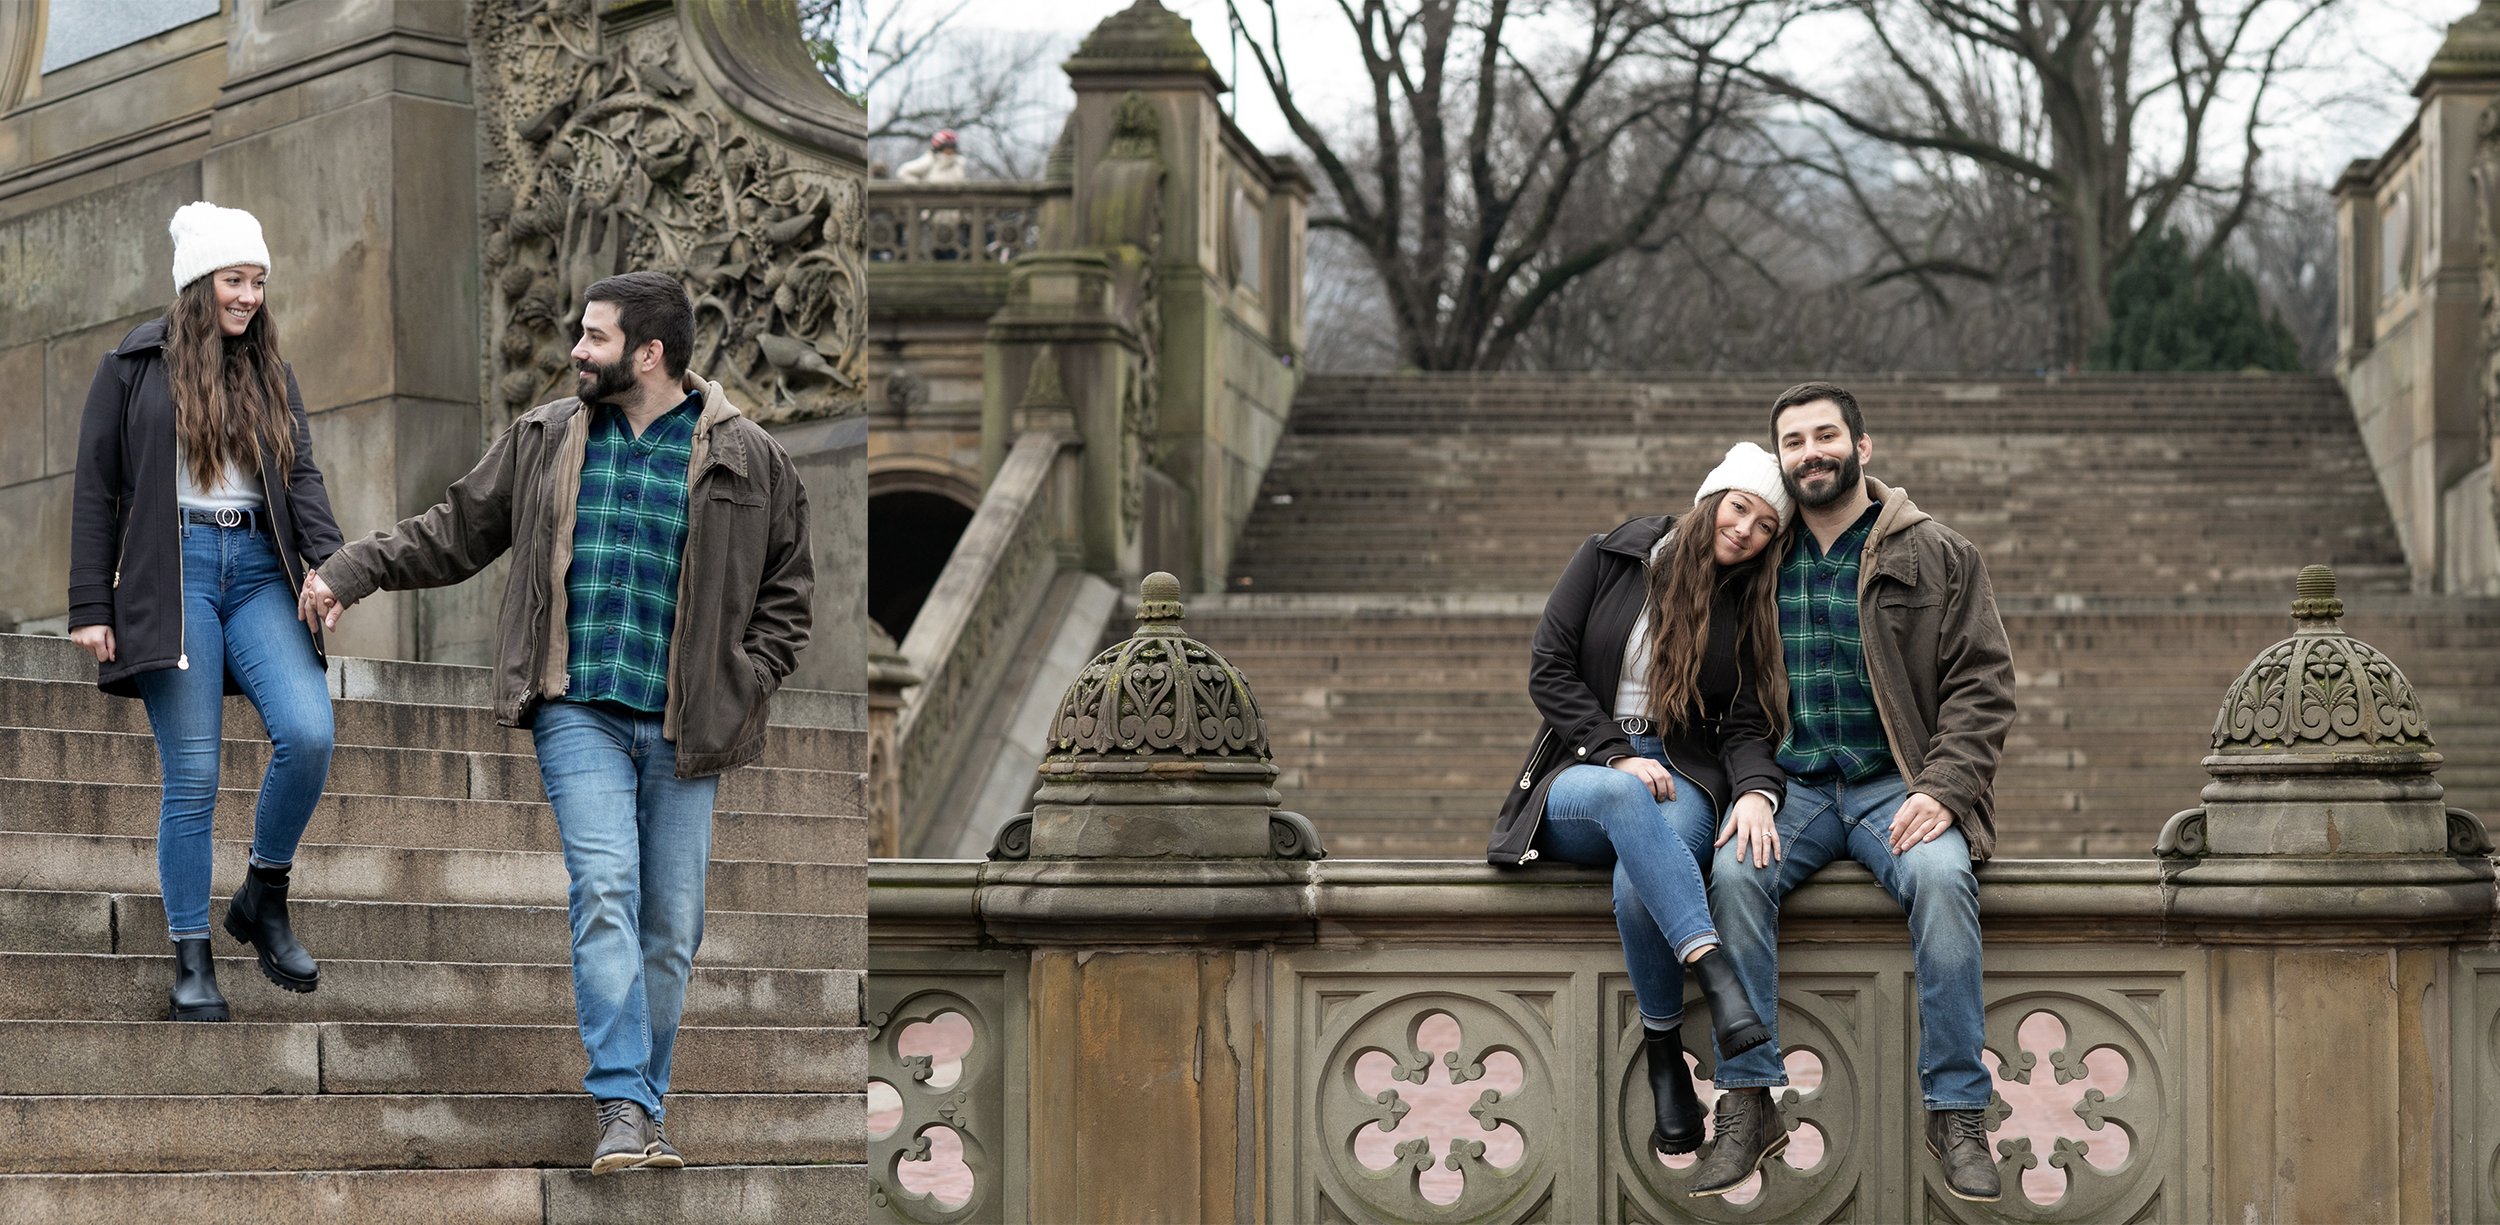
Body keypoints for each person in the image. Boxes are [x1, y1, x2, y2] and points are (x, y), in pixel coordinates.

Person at [299, 270, 815, 1174]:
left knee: (674, 925)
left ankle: (642, 1109)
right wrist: (354, 568)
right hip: (576, 706)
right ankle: (622, 1099)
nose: (575, 350)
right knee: (606, 887)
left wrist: (749, 678)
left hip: (688, 727)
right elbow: (454, 530)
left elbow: (788, 597)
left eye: (596, 337)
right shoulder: (545, 436)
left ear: (648, 354)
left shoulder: (753, 458)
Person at [1688, 382, 2015, 1203]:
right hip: (1791, 786)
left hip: (1892, 786)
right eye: (1793, 442)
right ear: (1781, 459)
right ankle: (1749, 1099)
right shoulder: (1759, 557)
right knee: (1731, 874)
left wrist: (1944, 787)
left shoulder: (1936, 551)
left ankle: (1958, 1109)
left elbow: (1983, 683)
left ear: (1861, 447)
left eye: (1825, 435)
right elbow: (1729, 692)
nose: (1810, 453)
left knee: (1943, 877)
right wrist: (1751, 790)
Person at [68, 201, 344, 1022]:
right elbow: (97, 487)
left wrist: (329, 569)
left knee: (309, 731)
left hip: (260, 568)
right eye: (234, 279)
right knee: (192, 775)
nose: (249, 295)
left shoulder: (272, 371)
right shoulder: (132, 366)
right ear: (198, 284)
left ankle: (263, 889)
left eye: (258, 281)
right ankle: (190, 953)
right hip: (173, 570)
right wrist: (91, 603)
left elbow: (301, 478)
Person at [1488, 443, 1795, 1157]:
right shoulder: (1614, 555)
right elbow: (1549, 666)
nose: (1745, 529)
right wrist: (1616, 753)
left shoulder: (1746, 602)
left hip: (1683, 772)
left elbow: (1749, 722)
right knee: (1627, 803)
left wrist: (1755, 791)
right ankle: (1716, 971)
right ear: (1713, 496)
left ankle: (1665, 1058)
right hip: (1585, 772)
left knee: (1639, 882)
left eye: (1765, 527)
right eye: (1740, 507)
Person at [895, 129, 966, 183]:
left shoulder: (959, 163)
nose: (950, 150)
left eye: (952, 146)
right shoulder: (930, 160)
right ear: (939, 147)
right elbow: (904, 172)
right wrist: (921, 189)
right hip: (931, 200)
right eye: (947, 146)